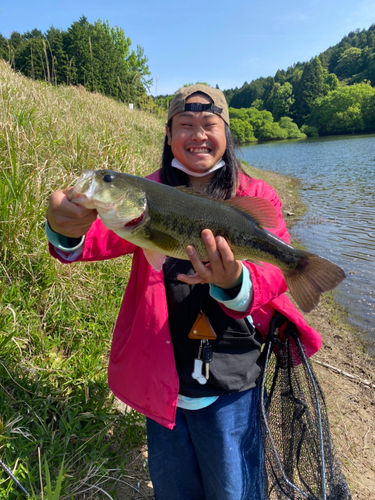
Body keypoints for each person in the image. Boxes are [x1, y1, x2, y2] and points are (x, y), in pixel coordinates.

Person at [46, 84, 322, 500]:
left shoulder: (256, 195)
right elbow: (90, 242)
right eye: (185, 125)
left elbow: (271, 273)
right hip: (164, 378)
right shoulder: (147, 193)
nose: (197, 134)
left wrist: (233, 281)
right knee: (174, 488)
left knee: (234, 489)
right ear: (168, 134)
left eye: (209, 124)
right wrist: (65, 229)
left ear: (227, 134)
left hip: (234, 376)